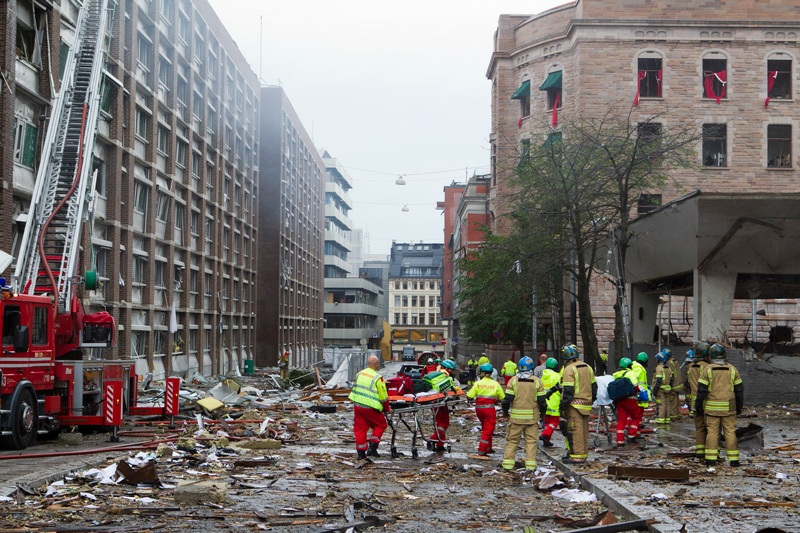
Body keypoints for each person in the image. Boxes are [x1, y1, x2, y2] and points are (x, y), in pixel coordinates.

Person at [695, 343, 744, 467]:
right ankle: (734, 460)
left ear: (710, 356)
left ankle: (711, 459)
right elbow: (739, 390)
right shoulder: (733, 369)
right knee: (730, 432)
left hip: (712, 408)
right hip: (729, 407)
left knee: (712, 432)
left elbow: (701, 391)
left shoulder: (708, 370)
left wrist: (698, 406)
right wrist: (739, 407)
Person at [501, 356, 547, 471]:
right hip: (532, 419)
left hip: (516, 418)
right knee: (531, 442)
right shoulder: (537, 381)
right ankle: (531, 466)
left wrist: (505, 412)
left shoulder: (513, 380)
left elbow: (507, 400)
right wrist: (542, 414)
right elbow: (542, 402)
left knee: (512, 441)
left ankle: (508, 465)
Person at [348, 355, 391, 460]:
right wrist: (387, 408)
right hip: (370, 406)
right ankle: (373, 447)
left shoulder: (360, 374)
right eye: (378, 364)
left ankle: (361, 454)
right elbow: (383, 396)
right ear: (376, 364)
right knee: (381, 425)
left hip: (357, 404)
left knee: (360, 429)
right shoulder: (377, 377)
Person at [559, 344, 597, 464]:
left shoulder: (569, 369)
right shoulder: (588, 367)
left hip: (574, 405)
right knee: (584, 430)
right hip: (587, 403)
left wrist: (563, 407)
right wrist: (591, 400)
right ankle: (582, 453)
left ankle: (577, 456)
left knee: (575, 431)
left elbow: (568, 391)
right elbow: (594, 387)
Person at [466, 363, 505, 457]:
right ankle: (482, 450)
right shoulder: (495, 384)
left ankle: (488, 447)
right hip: (489, 409)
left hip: (479, 409)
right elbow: (502, 397)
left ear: (482, 373)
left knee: (486, 427)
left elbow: (469, 395)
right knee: (488, 429)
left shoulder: (477, 383)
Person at [426, 359, 460, 452]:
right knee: (444, 423)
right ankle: (432, 439)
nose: (451, 372)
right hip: (441, 403)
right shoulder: (444, 376)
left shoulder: (435, 374)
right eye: (451, 370)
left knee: (440, 424)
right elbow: (448, 389)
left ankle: (440, 444)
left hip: (434, 402)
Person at [684, 344, 710, 460]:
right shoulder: (707, 367)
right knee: (710, 428)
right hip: (706, 400)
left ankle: (700, 451)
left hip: (695, 400)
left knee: (699, 428)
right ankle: (711, 452)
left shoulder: (691, 367)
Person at [611, 358, 642, 446]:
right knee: (636, 416)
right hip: (630, 399)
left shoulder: (615, 374)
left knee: (621, 420)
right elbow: (636, 386)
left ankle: (620, 441)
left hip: (619, 400)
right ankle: (632, 435)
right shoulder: (631, 373)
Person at [538, 357, 562, 447]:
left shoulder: (543, 376)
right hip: (554, 402)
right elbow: (560, 388)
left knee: (548, 422)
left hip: (545, 403)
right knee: (554, 422)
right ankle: (544, 435)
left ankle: (546, 440)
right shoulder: (556, 376)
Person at [651, 350, 673, 425]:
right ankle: (667, 419)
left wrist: (655, 390)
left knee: (661, 404)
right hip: (668, 389)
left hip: (661, 389)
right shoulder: (668, 368)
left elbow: (658, 380)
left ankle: (660, 419)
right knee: (667, 404)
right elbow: (671, 379)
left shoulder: (659, 368)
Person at [631, 352, 651, 429]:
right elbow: (636, 381)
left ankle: (637, 430)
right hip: (639, 394)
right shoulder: (639, 369)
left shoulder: (634, 366)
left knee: (637, 414)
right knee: (637, 414)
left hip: (637, 393)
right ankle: (634, 432)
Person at [665, 348, 683, 421]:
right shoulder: (675, 361)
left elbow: (671, 375)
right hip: (678, 383)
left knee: (672, 401)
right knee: (676, 401)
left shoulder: (669, 363)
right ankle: (677, 414)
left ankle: (673, 416)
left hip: (674, 384)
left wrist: (669, 384)